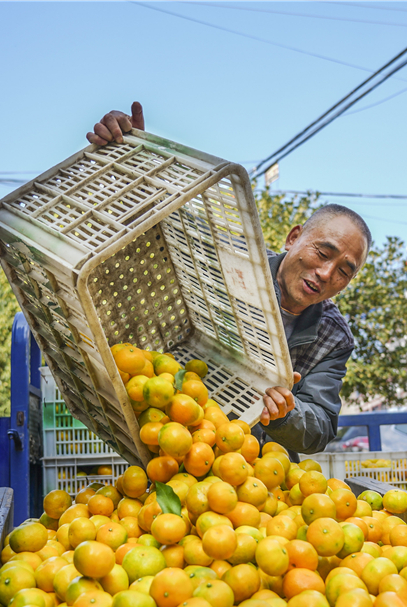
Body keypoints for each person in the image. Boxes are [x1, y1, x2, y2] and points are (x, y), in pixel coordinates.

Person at [88, 107, 371, 456]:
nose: (327, 274)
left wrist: (285, 413)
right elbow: (158, 236)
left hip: (255, 476)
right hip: (175, 443)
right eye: (323, 253)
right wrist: (132, 165)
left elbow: (321, 426)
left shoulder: (334, 337)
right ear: (293, 237)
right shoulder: (233, 264)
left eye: (345, 270)